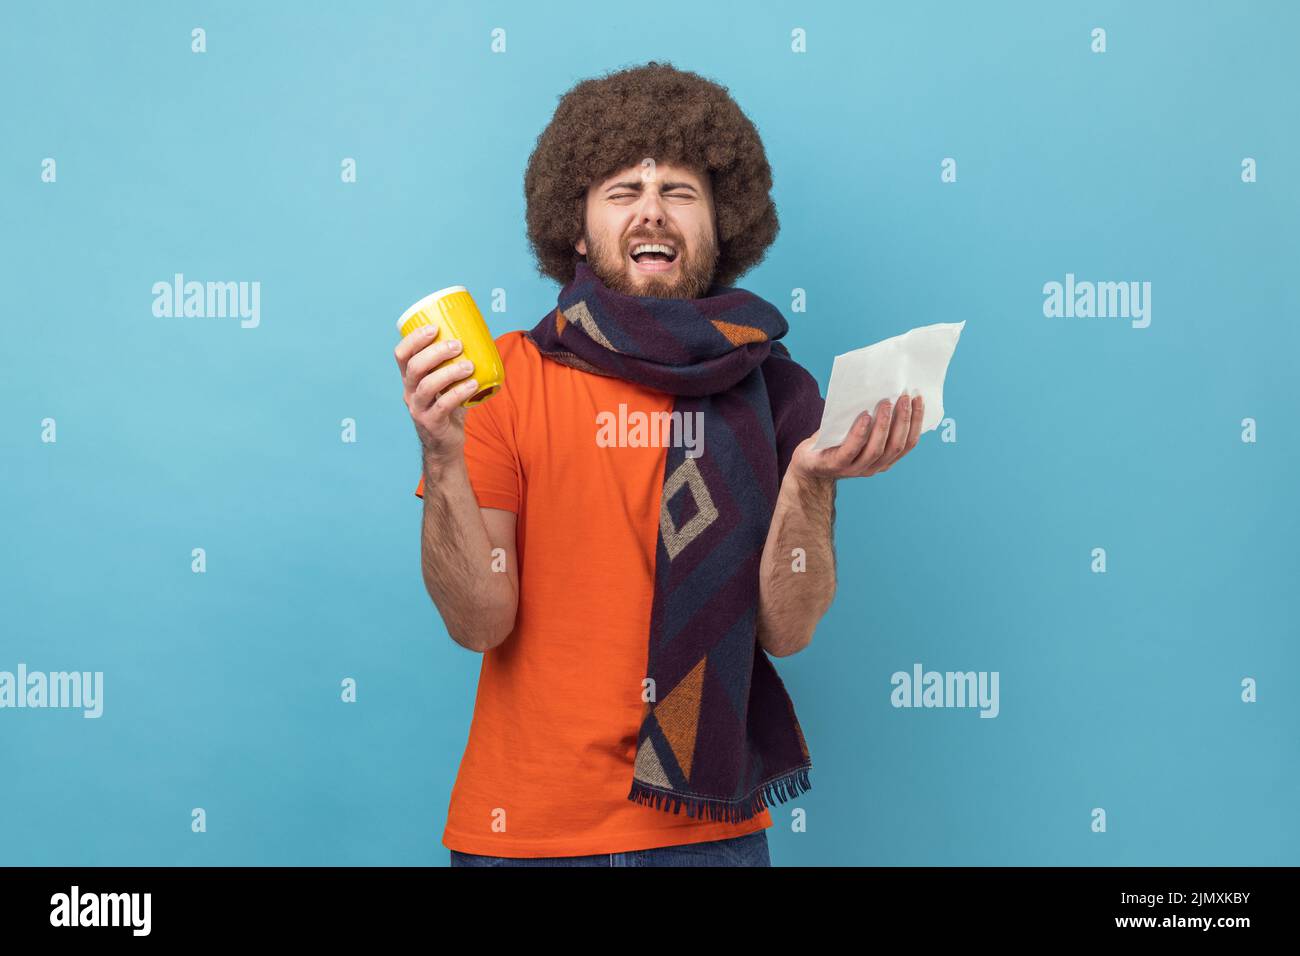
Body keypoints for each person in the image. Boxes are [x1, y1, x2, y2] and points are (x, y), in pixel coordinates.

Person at [396, 61, 922, 867]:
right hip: (524, 836)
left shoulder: (777, 393)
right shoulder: (501, 381)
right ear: (576, 228)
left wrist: (810, 482)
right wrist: (445, 460)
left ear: (721, 224)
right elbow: (480, 622)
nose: (653, 212)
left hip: (710, 838)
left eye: (680, 191)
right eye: (621, 192)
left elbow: (790, 628)